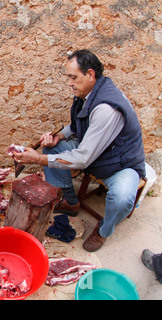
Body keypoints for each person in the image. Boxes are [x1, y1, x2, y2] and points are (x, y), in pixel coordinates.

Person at [11, 49, 146, 252]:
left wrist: (37, 159)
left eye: (73, 77)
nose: (69, 83)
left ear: (90, 74)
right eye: (69, 77)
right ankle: (71, 202)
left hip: (119, 164)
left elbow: (82, 158)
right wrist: (59, 137)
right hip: (94, 151)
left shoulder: (106, 108)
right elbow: (77, 125)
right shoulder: (88, 93)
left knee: (121, 198)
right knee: (52, 147)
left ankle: (103, 230)